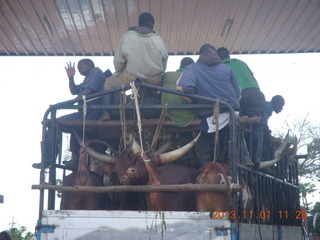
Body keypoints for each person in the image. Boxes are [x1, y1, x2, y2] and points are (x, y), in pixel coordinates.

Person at [32, 59, 105, 169]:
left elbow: (88, 90)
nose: (79, 67)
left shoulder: (95, 71)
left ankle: (47, 160)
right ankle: (75, 160)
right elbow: (74, 90)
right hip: (85, 113)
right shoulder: (87, 78)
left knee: (53, 123)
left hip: (90, 113)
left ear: (89, 64)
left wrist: (74, 100)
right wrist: (71, 77)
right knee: (73, 126)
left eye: (81, 64)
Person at [177, 44, 241, 167]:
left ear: (200, 54)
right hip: (230, 112)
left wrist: (195, 100)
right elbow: (238, 94)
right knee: (226, 146)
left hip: (208, 113)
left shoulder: (192, 68)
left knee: (203, 141)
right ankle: (225, 168)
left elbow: (183, 87)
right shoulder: (227, 69)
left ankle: (206, 168)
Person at [101, 12, 168, 120]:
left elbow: (118, 64)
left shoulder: (127, 37)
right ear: (151, 25)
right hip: (154, 79)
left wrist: (123, 70)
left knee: (108, 82)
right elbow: (164, 62)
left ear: (139, 23)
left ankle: (105, 114)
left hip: (132, 76)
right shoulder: (158, 39)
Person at [217, 47, 266, 168]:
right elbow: (251, 76)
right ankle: (256, 159)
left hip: (240, 95)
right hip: (256, 94)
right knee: (258, 126)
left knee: (237, 124)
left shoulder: (219, 67)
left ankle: (245, 157)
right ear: (228, 55)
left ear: (218, 57)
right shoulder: (241, 62)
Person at [161, 57, 197, 166]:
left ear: (180, 66)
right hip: (187, 115)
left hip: (167, 114)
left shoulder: (167, 75)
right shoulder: (192, 75)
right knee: (200, 130)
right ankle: (190, 161)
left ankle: (183, 159)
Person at [262, 95, 285, 161]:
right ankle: (264, 160)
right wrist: (269, 135)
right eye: (281, 105)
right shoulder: (268, 106)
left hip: (259, 127)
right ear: (277, 103)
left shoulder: (268, 106)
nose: (281, 108)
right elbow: (264, 124)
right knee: (267, 140)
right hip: (257, 127)